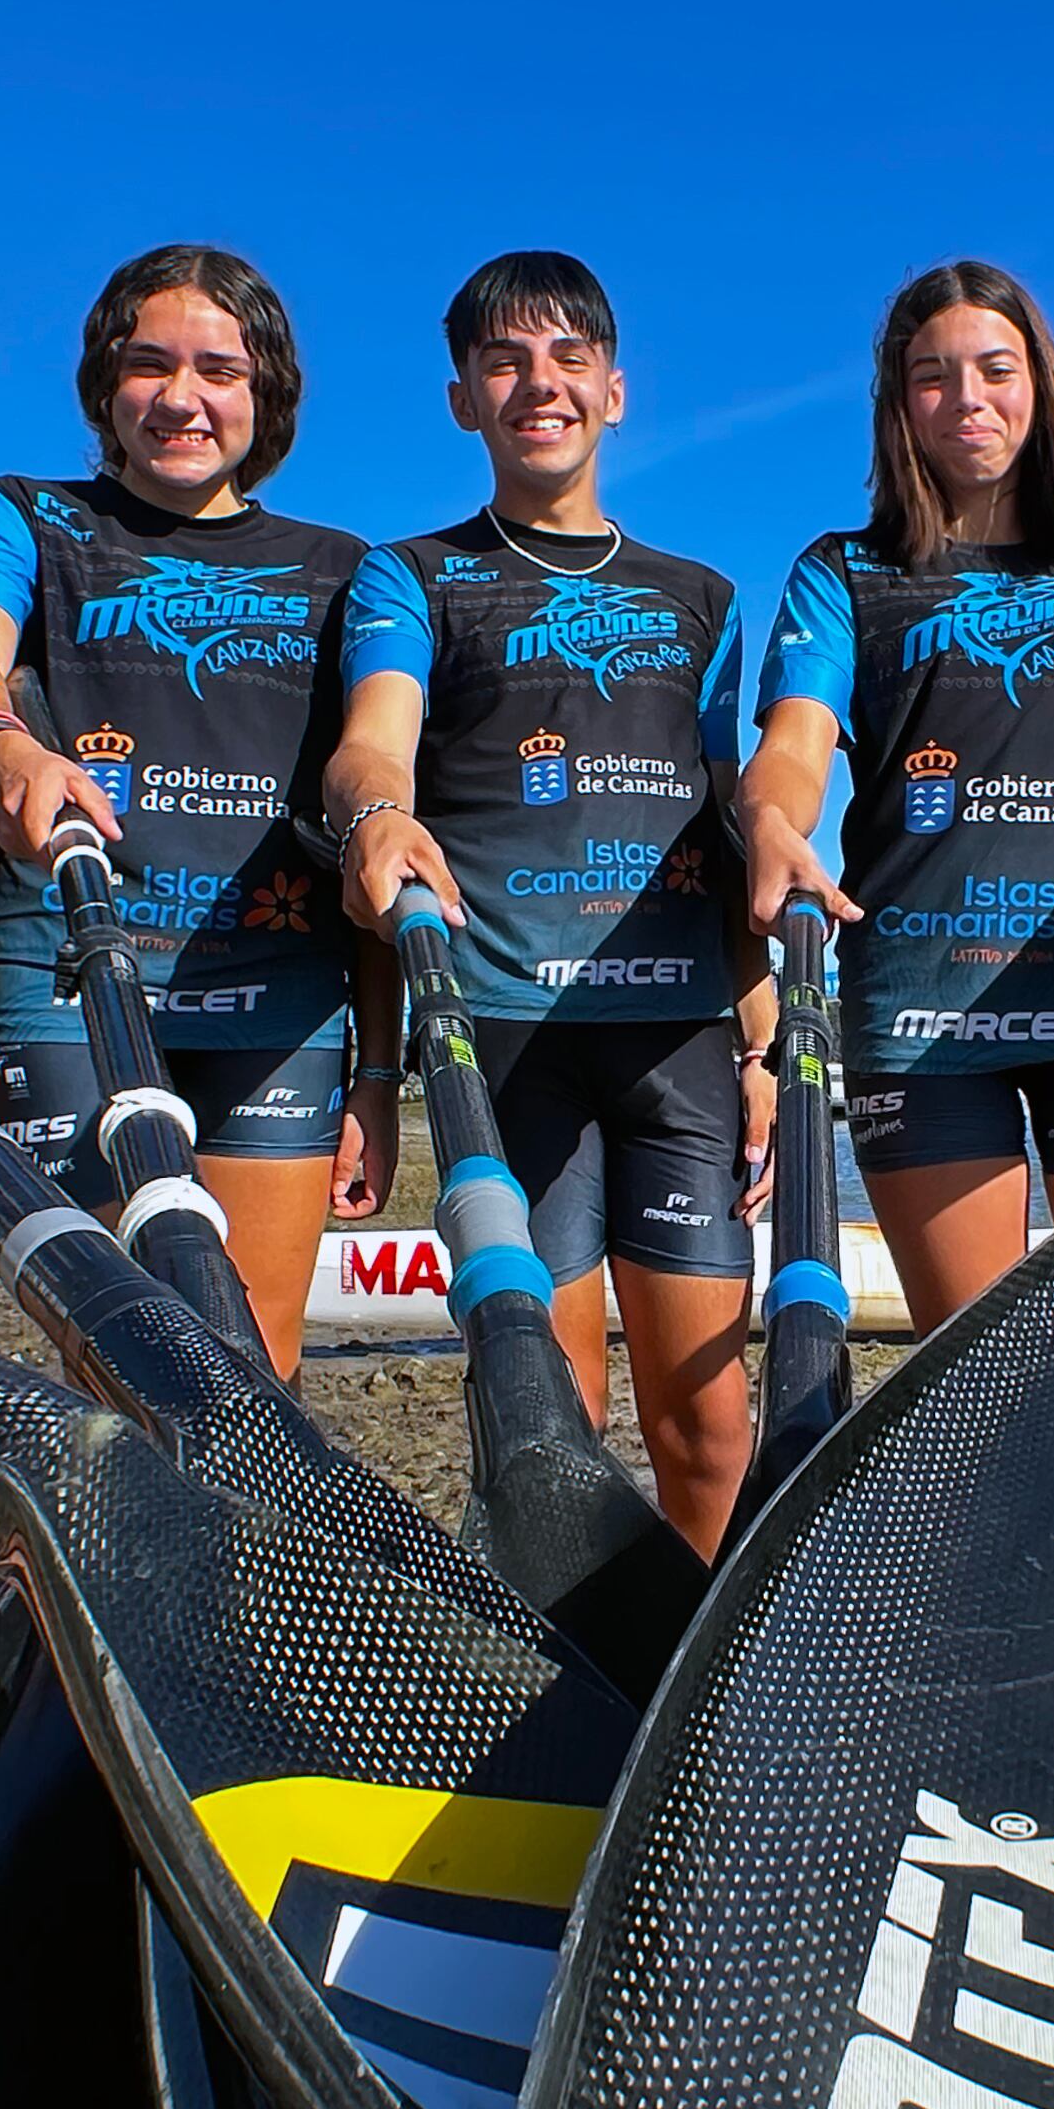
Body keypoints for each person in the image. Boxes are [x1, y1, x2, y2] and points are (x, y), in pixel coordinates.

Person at [319, 251, 764, 1554]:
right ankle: (568, 1700)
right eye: (505, 361)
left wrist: (765, 1041)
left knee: (711, 1429)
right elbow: (371, 745)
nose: (539, 385)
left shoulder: (705, 601)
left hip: (680, 1044)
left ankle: (697, 1686)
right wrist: (379, 809)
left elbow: (741, 836)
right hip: (507, 1041)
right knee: (548, 1426)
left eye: (569, 358)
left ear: (617, 392)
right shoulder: (411, 577)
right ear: (464, 397)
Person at [0, 244, 398, 1374]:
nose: (182, 398)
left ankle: (233, 1561)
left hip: (277, 996)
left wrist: (377, 1067)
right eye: (149, 366)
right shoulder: (22, 517)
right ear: (103, 384)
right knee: (113, 1352)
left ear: (264, 395)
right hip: (66, 978)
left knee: (256, 1356)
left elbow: (367, 817)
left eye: (219, 370)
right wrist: (2, 745)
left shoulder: (347, 570)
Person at [735, 261, 1054, 1327]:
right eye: (932, 377)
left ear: (1040, 387)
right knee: (978, 1365)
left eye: (995, 370)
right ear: (897, 406)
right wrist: (773, 820)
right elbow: (794, 744)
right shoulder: (843, 575)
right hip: (920, 1019)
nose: (967, 399)